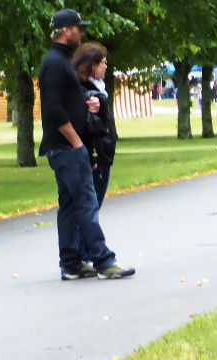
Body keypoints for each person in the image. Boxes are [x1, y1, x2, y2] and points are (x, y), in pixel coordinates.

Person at [38, 9, 133, 281]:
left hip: (65, 148)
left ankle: (71, 263)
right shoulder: (55, 63)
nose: (82, 33)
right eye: (79, 28)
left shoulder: (60, 62)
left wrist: (85, 104)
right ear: (66, 30)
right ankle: (104, 261)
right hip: (67, 149)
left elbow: (66, 102)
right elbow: (53, 110)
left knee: (69, 205)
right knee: (86, 203)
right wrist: (78, 143)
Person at [72, 42, 115, 207]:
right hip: (96, 159)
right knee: (89, 208)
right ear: (92, 65)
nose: (106, 66)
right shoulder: (86, 92)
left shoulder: (98, 90)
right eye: (103, 62)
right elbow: (85, 129)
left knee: (92, 207)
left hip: (102, 157)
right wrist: (92, 160)